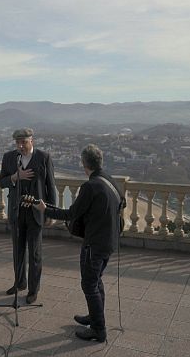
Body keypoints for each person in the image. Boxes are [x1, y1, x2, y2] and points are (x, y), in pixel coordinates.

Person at [33, 144, 123, 342]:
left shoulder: (90, 187)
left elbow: (71, 214)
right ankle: (94, 316)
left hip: (94, 244)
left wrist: (44, 208)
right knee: (96, 281)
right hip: (110, 242)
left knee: (89, 284)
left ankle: (98, 329)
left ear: (84, 164)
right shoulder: (111, 181)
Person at [0, 128, 57, 304]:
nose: (20, 146)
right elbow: (1, 182)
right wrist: (16, 177)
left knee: (35, 253)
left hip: (35, 213)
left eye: (24, 142)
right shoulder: (9, 158)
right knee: (18, 251)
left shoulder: (44, 157)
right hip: (17, 212)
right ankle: (20, 283)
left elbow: (50, 186)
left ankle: (33, 289)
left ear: (32, 141)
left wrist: (51, 212)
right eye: (17, 142)